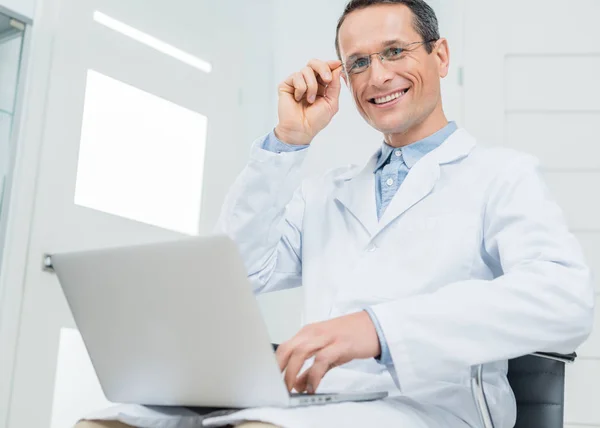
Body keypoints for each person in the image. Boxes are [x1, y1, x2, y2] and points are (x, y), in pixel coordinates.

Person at [78, 0, 594, 427]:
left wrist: (380, 329)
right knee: (113, 421)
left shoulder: (502, 174)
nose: (379, 76)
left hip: (432, 410)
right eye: (359, 63)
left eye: (395, 51)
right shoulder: (325, 190)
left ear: (440, 55)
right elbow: (240, 271)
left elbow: (565, 300)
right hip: (317, 401)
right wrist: (288, 142)